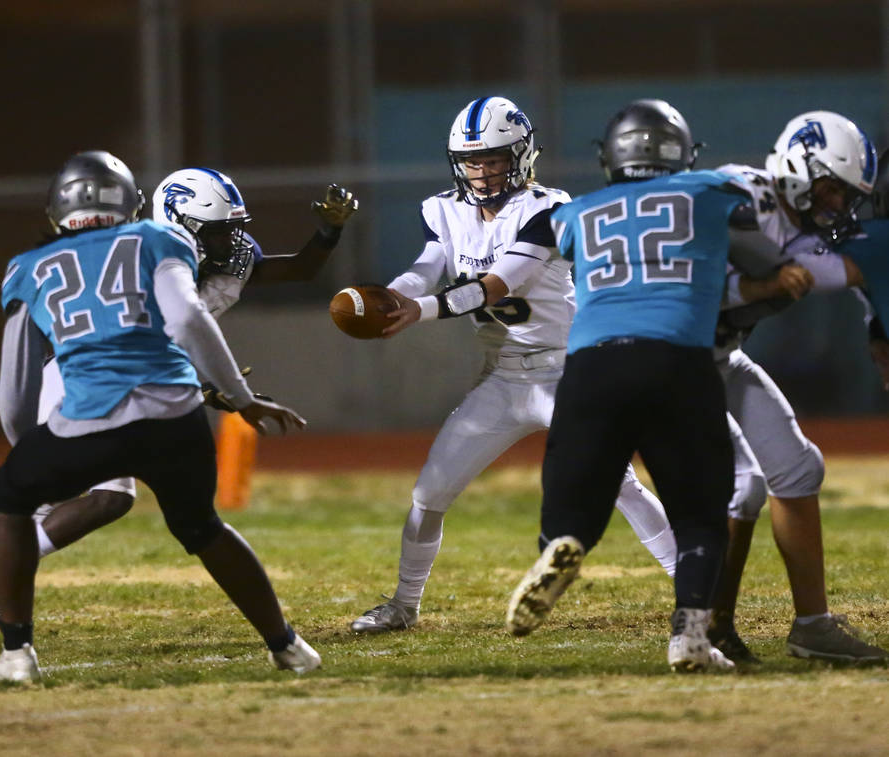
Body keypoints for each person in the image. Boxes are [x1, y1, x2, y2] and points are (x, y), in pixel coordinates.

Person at [0, 167, 356, 647]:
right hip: (78, 375)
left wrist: (328, 233)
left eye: (234, 228)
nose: (235, 240)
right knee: (106, 497)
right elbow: (139, 339)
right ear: (182, 225)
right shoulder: (148, 255)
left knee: (52, 513)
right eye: (221, 230)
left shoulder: (218, 257)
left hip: (125, 381)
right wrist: (208, 390)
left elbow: (294, 271)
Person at [348, 96, 679, 635]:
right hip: (504, 378)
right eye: (473, 162)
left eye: (496, 160)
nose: (483, 173)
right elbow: (426, 267)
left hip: (566, 371)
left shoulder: (546, 208)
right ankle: (404, 606)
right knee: (429, 493)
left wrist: (422, 310)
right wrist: (388, 296)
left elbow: (501, 283)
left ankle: (694, 589)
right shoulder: (445, 211)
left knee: (618, 485)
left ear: (521, 157)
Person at [505, 99, 764, 673]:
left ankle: (562, 544)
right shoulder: (709, 191)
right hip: (677, 358)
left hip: (592, 364)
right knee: (699, 514)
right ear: (681, 151)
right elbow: (762, 252)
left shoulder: (578, 213)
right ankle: (691, 636)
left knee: (576, 500)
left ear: (611, 156)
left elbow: (551, 236)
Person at [707, 111, 887, 663]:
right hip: (668, 361)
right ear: (797, 167)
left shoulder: (803, 229)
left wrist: (877, 329)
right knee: (743, 486)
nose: (836, 207)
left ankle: (812, 627)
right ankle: (707, 628)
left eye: (844, 196)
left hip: (720, 356)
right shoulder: (736, 196)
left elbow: (859, 275)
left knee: (797, 466)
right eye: (831, 189)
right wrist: (758, 284)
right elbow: (689, 282)